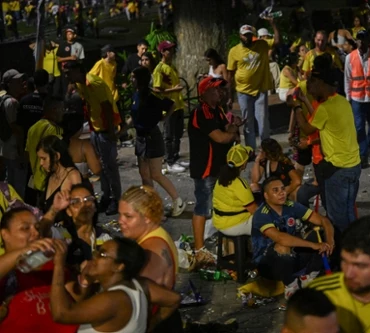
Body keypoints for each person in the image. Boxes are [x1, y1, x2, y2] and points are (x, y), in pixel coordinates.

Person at [50, 238, 181, 333]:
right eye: (97, 252)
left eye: (102, 255)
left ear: (119, 266)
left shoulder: (114, 299)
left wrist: (59, 265)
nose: (94, 258)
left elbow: (61, 314)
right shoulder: (140, 284)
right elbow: (174, 299)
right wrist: (150, 324)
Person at [294, 54, 361, 232]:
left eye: (312, 83)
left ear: (322, 83)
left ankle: (342, 254)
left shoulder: (325, 108)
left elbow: (308, 128)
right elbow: (326, 130)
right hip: (352, 167)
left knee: (337, 218)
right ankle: (354, 249)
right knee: (348, 213)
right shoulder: (342, 102)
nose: (310, 88)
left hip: (338, 170)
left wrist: (296, 106)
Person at [252, 176, 334, 299]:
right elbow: (281, 238)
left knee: (319, 233)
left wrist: (330, 241)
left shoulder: (290, 205)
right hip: (268, 263)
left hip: (291, 255)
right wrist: (314, 245)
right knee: (283, 246)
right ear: (266, 196)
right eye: (275, 190)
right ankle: (291, 285)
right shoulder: (261, 214)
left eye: (283, 189)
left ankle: (308, 276)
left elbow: (323, 220)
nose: (281, 193)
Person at [188, 76, 239, 266]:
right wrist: (232, 133)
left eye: (221, 89)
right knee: (203, 207)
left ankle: (224, 245)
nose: (221, 92)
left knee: (220, 205)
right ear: (205, 92)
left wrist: (233, 128)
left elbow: (227, 127)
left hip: (219, 167)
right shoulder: (201, 112)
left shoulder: (217, 109)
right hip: (205, 168)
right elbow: (220, 137)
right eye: (216, 89)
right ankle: (199, 250)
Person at [0, 208, 77, 332]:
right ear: (5, 234)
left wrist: (85, 279)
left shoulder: (51, 264)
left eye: (36, 227)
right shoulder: (5, 271)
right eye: (25, 228)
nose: (35, 233)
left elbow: (77, 298)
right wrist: (23, 252)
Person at [118, 186, 183, 332]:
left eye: (128, 216)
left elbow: (136, 297)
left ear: (146, 216)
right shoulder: (157, 235)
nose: (120, 221)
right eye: (120, 214)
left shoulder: (151, 250)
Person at [64, 61, 122, 215]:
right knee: (101, 167)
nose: (66, 75)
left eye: (68, 72)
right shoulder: (80, 84)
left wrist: (110, 131)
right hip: (96, 130)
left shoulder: (93, 83)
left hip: (104, 130)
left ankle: (117, 199)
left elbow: (107, 108)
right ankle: (106, 196)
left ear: (78, 70)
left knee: (110, 167)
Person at [131, 66, 186, 217]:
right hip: (140, 137)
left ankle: (177, 200)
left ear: (140, 79)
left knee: (155, 174)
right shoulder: (135, 95)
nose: (131, 80)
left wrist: (164, 117)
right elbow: (134, 117)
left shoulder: (151, 95)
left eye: (134, 77)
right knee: (144, 174)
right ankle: (151, 204)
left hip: (152, 136)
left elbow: (171, 104)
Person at [227, 20, 280, 149]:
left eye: (250, 35)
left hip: (260, 90)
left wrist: (273, 24)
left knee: (262, 121)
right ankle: (250, 149)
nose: (248, 37)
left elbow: (277, 41)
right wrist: (229, 95)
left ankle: (266, 149)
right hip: (243, 92)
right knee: (247, 122)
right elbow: (229, 74)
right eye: (245, 35)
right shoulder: (234, 51)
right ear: (240, 36)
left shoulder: (261, 45)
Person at [344, 30, 370, 168]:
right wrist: (348, 97)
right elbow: (348, 79)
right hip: (357, 98)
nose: (361, 42)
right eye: (359, 40)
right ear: (356, 41)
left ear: (368, 41)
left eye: (364, 39)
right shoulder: (350, 58)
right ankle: (363, 154)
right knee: (359, 127)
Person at [152, 40, 186, 173]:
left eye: (172, 49)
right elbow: (156, 89)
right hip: (169, 106)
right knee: (169, 135)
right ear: (162, 52)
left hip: (178, 104)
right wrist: (174, 90)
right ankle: (170, 161)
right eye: (168, 50)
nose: (171, 52)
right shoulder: (159, 69)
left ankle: (176, 157)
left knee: (177, 134)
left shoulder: (172, 66)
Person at [25, 97, 64, 206]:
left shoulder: (32, 128)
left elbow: (27, 153)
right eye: (62, 109)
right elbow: (59, 155)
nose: (63, 113)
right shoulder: (55, 129)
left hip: (37, 181)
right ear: (54, 110)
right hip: (51, 181)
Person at [213, 144, 257, 236]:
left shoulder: (220, 178)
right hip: (234, 225)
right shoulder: (239, 184)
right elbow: (254, 211)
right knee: (268, 223)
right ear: (244, 164)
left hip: (219, 222)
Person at [37, 135, 82, 215]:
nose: (41, 163)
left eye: (44, 159)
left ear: (56, 156)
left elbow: (79, 209)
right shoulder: (51, 176)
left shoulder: (72, 175)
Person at [0, 69, 27, 197]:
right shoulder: (12, 103)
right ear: (9, 84)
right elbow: (16, 129)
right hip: (13, 151)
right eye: (17, 81)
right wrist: (21, 152)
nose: (22, 83)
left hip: (4, 149)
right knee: (17, 188)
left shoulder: (2, 99)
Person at [63, 113, 101, 179]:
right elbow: (96, 170)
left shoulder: (58, 143)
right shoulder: (84, 145)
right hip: (81, 184)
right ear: (79, 128)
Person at [18, 69, 50, 147]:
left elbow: (19, 125)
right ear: (47, 82)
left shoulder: (23, 100)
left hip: (27, 144)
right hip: (46, 145)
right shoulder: (51, 102)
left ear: (34, 83)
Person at [56, 27, 85, 95]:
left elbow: (81, 60)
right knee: (66, 90)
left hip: (76, 72)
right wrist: (70, 58)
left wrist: (77, 61)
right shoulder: (62, 45)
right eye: (67, 34)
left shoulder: (79, 46)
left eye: (70, 34)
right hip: (65, 71)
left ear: (74, 35)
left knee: (77, 90)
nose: (68, 36)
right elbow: (58, 59)